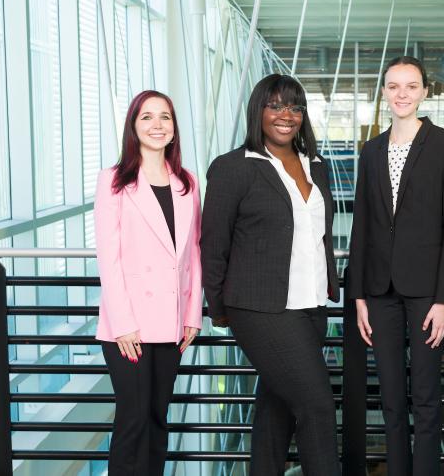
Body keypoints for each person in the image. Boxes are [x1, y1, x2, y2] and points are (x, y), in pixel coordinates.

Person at [200, 74, 341, 476]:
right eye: (276, 105)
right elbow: (213, 245)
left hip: (311, 306)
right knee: (316, 406)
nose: (286, 115)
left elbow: (319, 236)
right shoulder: (233, 168)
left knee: (276, 409)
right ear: (257, 109)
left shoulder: (317, 166)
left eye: (295, 107)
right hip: (260, 309)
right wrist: (221, 309)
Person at [347, 56, 444, 476]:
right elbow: (361, 224)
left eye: (411, 86)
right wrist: (359, 294)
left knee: (427, 398)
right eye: (394, 86)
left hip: (425, 293)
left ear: (424, 92)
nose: (402, 94)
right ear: (384, 92)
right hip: (379, 291)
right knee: (392, 400)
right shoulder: (371, 149)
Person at [94, 90, 202, 475]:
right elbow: (109, 257)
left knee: (158, 419)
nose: (157, 125)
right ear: (134, 127)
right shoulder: (114, 180)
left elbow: (194, 256)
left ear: (174, 129)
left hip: (172, 323)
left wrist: (193, 315)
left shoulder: (187, 183)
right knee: (133, 420)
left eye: (165, 117)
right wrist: (123, 323)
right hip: (130, 326)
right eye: (147, 117)